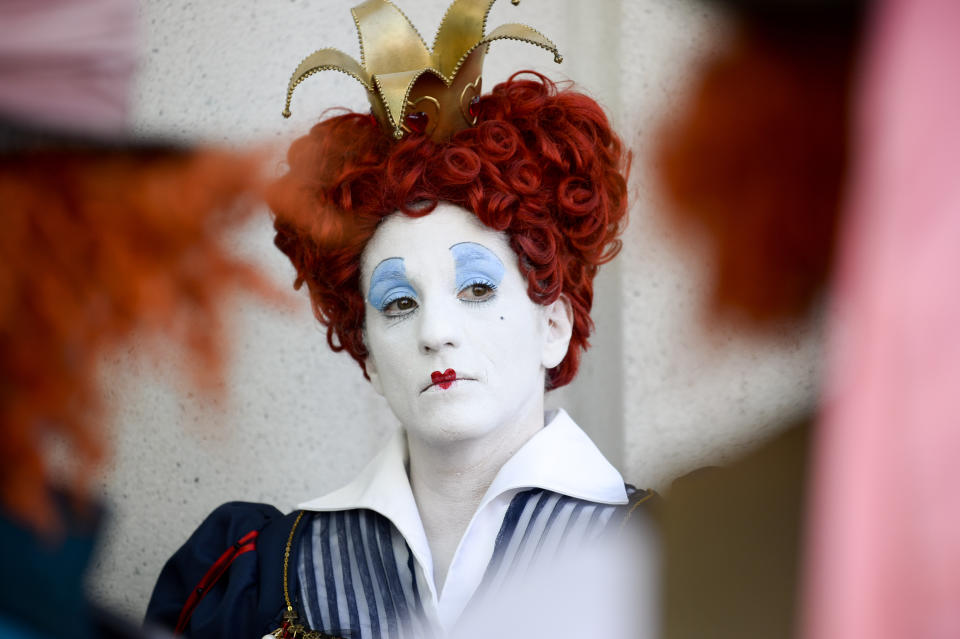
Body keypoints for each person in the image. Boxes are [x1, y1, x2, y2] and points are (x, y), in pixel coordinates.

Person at [145, 1, 654, 638]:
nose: (435, 331)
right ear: (367, 353)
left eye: (474, 287)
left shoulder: (665, 560)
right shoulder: (266, 575)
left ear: (552, 324)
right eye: (399, 302)